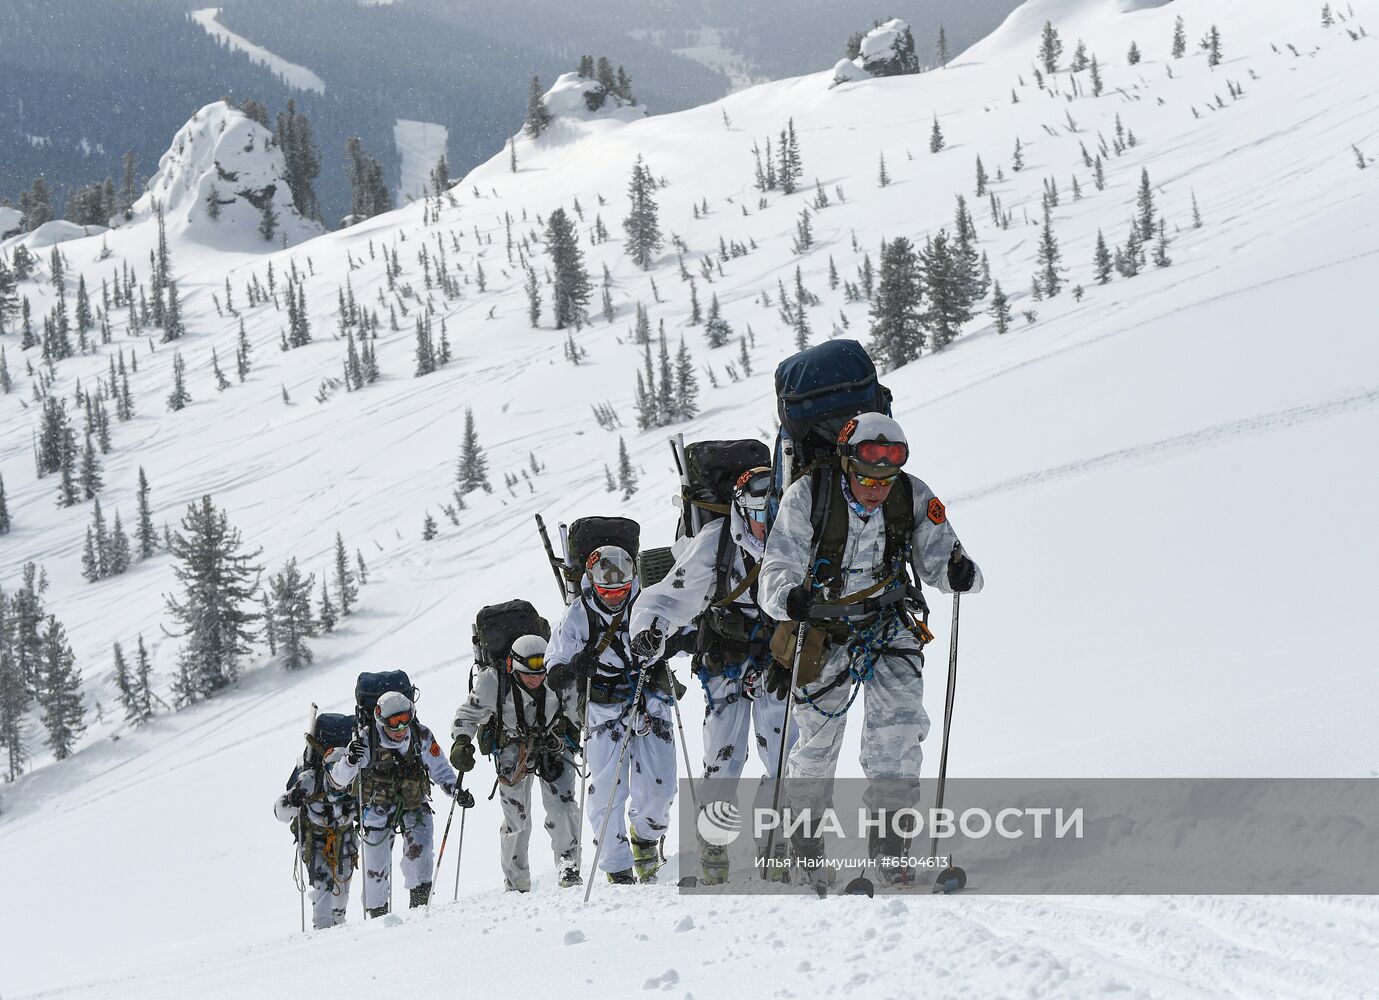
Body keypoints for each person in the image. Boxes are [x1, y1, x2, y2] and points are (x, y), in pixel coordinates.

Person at [758, 412, 982, 886]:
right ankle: (805, 837)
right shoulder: (808, 496)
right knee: (816, 746)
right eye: (866, 477)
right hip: (821, 631)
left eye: (887, 477)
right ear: (846, 465)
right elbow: (776, 567)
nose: (877, 488)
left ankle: (891, 841)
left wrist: (960, 572)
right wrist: (787, 596)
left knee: (898, 734)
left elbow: (943, 556)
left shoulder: (911, 494)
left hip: (888, 624)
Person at [630, 466, 794, 884]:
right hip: (727, 658)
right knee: (724, 757)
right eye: (758, 510)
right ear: (741, 509)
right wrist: (650, 629)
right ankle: (714, 844)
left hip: (781, 659)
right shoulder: (717, 543)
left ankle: (776, 843)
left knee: (784, 753)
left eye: (772, 508)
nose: (766, 519)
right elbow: (667, 596)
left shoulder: (794, 533)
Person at [546, 545, 678, 884]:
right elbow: (554, 670)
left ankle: (646, 838)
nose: (616, 597)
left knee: (661, 785)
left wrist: (669, 642)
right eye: (607, 591)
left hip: (649, 697)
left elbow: (680, 630)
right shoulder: (578, 615)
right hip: (602, 707)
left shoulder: (648, 598)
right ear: (593, 583)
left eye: (622, 589)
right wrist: (576, 665)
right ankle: (617, 867)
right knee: (606, 792)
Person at [450, 634, 583, 892]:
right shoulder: (493, 681)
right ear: (513, 666)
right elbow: (467, 714)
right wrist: (461, 741)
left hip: (554, 741)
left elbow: (578, 709)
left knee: (564, 806)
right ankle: (517, 882)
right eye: (528, 675)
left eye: (541, 673)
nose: (536, 679)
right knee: (516, 818)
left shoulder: (557, 673)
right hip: (512, 747)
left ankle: (569, 868)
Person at [330, 689, 472, 915]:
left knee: (422, 853)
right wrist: (350, 760)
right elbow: (338, 779)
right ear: (381, 720)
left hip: (414, 803)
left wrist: (455, 791)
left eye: (405, 720)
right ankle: (378, 918)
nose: (400, 728)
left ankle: (419, 909)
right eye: (394, 722)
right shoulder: (365, 740)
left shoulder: (421, 735)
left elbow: (440, 769)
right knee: (375, 870)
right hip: (377, 808)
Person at [273, 737, 357, 929]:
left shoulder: (356, 782)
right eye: (331, 768)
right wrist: (292, 800)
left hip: (344, 838)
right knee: (323, 882)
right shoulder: (309, 781)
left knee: (342, 888)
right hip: (315, 838)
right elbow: (282, 813)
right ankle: (322, 929)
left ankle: (338, 922)